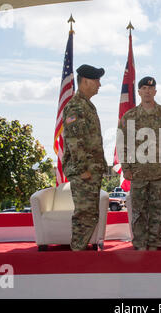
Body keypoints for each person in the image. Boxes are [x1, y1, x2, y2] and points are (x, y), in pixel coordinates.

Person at [118, 76, 161, 251]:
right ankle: (139, 244)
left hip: (160, 173)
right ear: (138, 92)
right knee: (138, 213)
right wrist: (126, 168)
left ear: (155, 92)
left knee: (157, 212)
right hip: (137, 174)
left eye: (150, 88)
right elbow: (122, 143)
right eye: (143, 88)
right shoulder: (129, 116)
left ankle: (154, 244)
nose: (147, 91)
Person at [62, 64, 108, 251]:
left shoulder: (86, 105)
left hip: (91, 170)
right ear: (86, 81)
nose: (99, 84)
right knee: (84, 215)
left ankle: (80, 252)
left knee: (90, 214)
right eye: (97, 80)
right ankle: (77, 255)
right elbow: (74, 140)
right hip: (85, 172)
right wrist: (83, 170)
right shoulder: (75, 106)